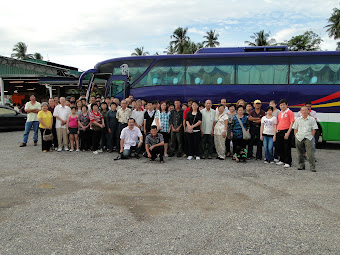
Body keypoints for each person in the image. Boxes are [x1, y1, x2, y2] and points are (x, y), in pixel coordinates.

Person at [293, 106, 318, 172]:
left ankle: (312, 167)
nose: (304, 112)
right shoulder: (298, 119)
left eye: (305, 110)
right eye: (302, 110)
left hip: (308, 137)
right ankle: (301, 165)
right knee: (300, 153)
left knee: (310, 153)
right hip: (299, 137)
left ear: (308, 111)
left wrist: (311, 136)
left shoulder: (312, 119)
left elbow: (314, 128)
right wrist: (296, 135)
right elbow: (295, 128)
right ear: (300, 111)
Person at [276, 99, 295, 168]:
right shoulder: (280, 113)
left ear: (287, 105)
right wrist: (277, 130)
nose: (282, 106)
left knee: (287, 147)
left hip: (286, 131)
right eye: (281, 105)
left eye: (284, 104)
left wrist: (288, 133)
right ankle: (282, 160)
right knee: (280, 146)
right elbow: (278, 122)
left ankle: (288, 162)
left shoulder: (290, 112)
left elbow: (292, 123)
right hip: (280, 131)